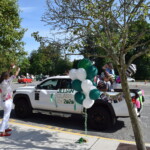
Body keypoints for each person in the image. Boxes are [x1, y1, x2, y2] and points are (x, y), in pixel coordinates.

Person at [0, 65, 20, 136]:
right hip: (7, 101)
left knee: (7, 115)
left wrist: (10, 68)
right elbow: (15, 75)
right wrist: (18, 70)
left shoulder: (1, 80)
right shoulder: (7, 81)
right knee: (6, 116)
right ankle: (2, 131)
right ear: (7, 77)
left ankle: (5, 127)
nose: (9, 76)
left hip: (2, 101)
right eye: (8, 76)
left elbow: (6, 74)